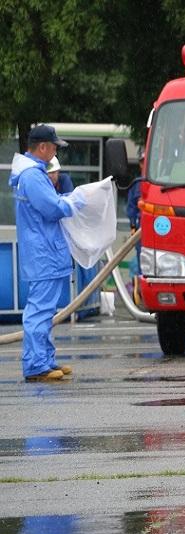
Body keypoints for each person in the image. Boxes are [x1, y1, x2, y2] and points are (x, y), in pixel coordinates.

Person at [9, 125, 84, 381]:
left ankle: (45, 360)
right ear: (42, 147)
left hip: (44, 252)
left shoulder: (32, 174)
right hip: (44, 254)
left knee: (45, 310)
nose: (54, 152)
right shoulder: (32, 176)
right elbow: (51, 208)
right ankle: (36, 365)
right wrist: (75, 201)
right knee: (40, 310)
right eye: (53, 147)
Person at [126, 152, 144, 301]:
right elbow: (131, 207)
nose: (144, 164)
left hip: (159, 225)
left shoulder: (159, 181)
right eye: (142, 162)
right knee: (140, 259)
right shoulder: (137, 184)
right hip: (141, 226)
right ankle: (139, 289)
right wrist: (132, 225)